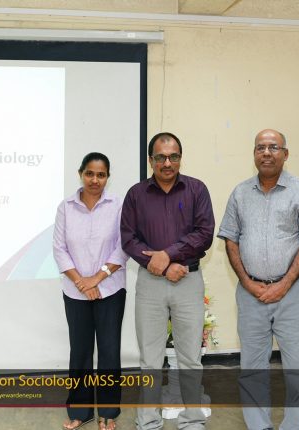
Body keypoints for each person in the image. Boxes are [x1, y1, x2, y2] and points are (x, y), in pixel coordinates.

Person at [218, 129, 299, 430]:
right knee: (252, 365)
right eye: (260, 147)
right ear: (253, 154)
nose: (266, 153)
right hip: (250, 292)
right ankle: (259, 425)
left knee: (296, 365)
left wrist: (284, 283)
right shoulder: (240, 193)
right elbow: (230, 240)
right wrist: (248, 282)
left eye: (273, 147)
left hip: (292, 292)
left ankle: (293, 426)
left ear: (285, 154)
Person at [120, 132, 215, 430]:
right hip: (150, 284)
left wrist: (168, 255)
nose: (167, 163)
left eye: (173, 156)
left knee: (190, 358)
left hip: (188, 280)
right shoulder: (136, 194)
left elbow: (204, 234)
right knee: (150, 359)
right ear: (151, 160)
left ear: (180, 158)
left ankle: (193, 420)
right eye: (160, 157)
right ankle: (148, 420)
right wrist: (161, 266)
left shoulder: (197, 189)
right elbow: (128, 239)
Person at [53, 152, 129, 430]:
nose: (95, 180)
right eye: (90, 173)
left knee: (109, 353)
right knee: (80, 353)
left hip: (110, 290)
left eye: (101, 175)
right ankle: (80, 411)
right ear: (80, 174)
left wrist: (96, 279)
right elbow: (59, 248)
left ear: (107, 177)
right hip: (76, 293)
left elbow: (123, 246)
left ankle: (108, 412)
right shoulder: (66, 207)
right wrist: (82, 283)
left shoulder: (118, 205)